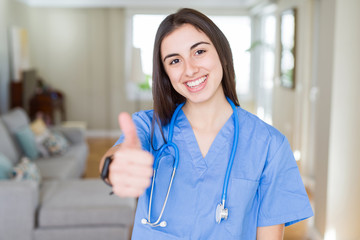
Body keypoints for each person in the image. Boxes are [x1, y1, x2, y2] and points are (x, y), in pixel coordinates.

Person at [99, 8, 313, 239]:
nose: (190, 69)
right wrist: (113, 166)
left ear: (221, 53)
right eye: (174, 61)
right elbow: (119, 153)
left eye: (199, 51)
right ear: (165, 74)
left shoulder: (270, 145)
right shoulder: (149, 127)